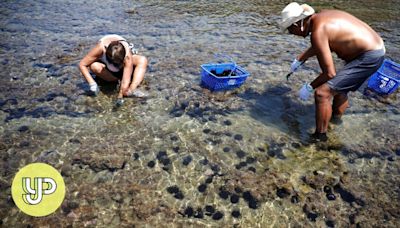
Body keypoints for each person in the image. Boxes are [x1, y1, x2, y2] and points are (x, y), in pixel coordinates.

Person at [280, 2, 385, 141]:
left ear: (296, 24)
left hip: (368, 56)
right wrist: (301, 58)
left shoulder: (318, 31)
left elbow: (329, 73)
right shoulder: (322, 17)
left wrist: (309, 87)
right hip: (373, 49)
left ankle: (320, 137)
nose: (291, 34)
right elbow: (323, 42)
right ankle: (335, 122)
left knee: (322, 93)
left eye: (289, 30)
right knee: (340, 89)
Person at [78, 34, 148, 103]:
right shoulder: (100, 48)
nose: (116, 64)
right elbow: (82, 64)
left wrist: (121, 96)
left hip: (123, 67)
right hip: (107, 70)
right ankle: (115, 81)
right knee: (94, 66)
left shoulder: (127, 56)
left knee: (142, 60)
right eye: (114, 62)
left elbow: (125, 81)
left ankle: (132, 90)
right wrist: (92, 84)